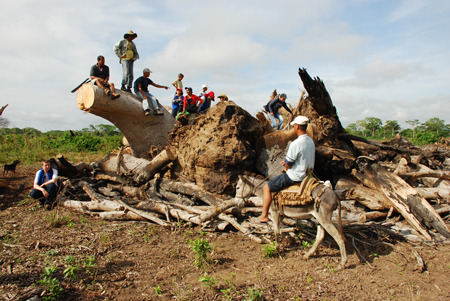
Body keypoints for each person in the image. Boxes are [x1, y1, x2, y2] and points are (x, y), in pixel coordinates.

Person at [258, 116, 315, 223]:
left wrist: (286, 166)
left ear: (297, 127)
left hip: (295, 176)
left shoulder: (296, 143)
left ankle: (264, 215)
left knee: (267, 187)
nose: (293, 127)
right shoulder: (310, 141)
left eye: (294, 125)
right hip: (308, 174)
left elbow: (288, 164)